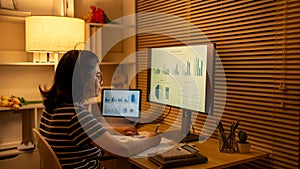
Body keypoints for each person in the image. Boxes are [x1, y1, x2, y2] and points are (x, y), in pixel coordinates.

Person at [38, 50, 161, 169]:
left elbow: (83, 133)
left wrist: (114, 130)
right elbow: (124, 150)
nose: (101, 81)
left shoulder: (53, 108)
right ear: (83, 80)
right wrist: (152, 140)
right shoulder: (77, 116)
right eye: (98, 75)